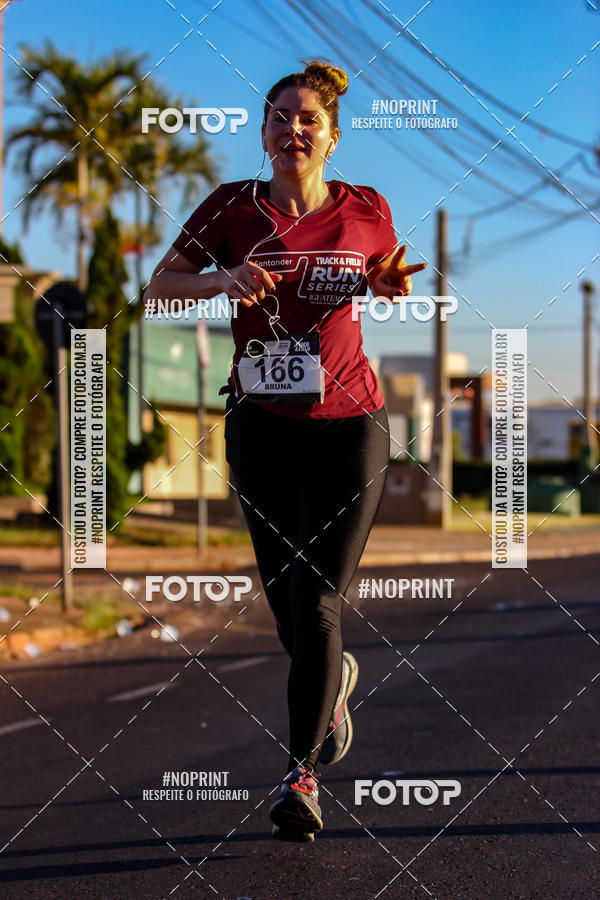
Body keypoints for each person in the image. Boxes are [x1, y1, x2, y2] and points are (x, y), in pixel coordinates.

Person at [144, 59, 426, 842]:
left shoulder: (366, 207)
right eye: (279, 116)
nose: (292, 128)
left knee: (318, 599)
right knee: (288, 611)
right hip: (261, 426)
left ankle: (301, 775)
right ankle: (331, 684)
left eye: (308, 119)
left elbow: (381, 271)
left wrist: (391, 282)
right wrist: (224, 278)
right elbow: (160, 286)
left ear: (331, 137)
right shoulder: (231, 208)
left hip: (350, 425)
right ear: (262, 131)